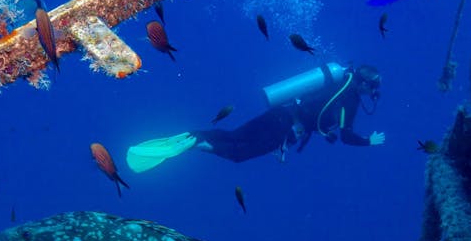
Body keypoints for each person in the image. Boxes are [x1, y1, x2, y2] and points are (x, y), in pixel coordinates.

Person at [127, 63, 386, 173]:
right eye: (372, 85)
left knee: (234, 136)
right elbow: (346, 136)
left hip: (281, 113)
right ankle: (195, 143)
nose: (372, 90)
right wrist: (369, 142)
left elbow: (311, 110)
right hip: (286, 126)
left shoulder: (335, 81)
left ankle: (193, 135)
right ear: (365, 84)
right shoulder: (349, 98)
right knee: (238, 154)